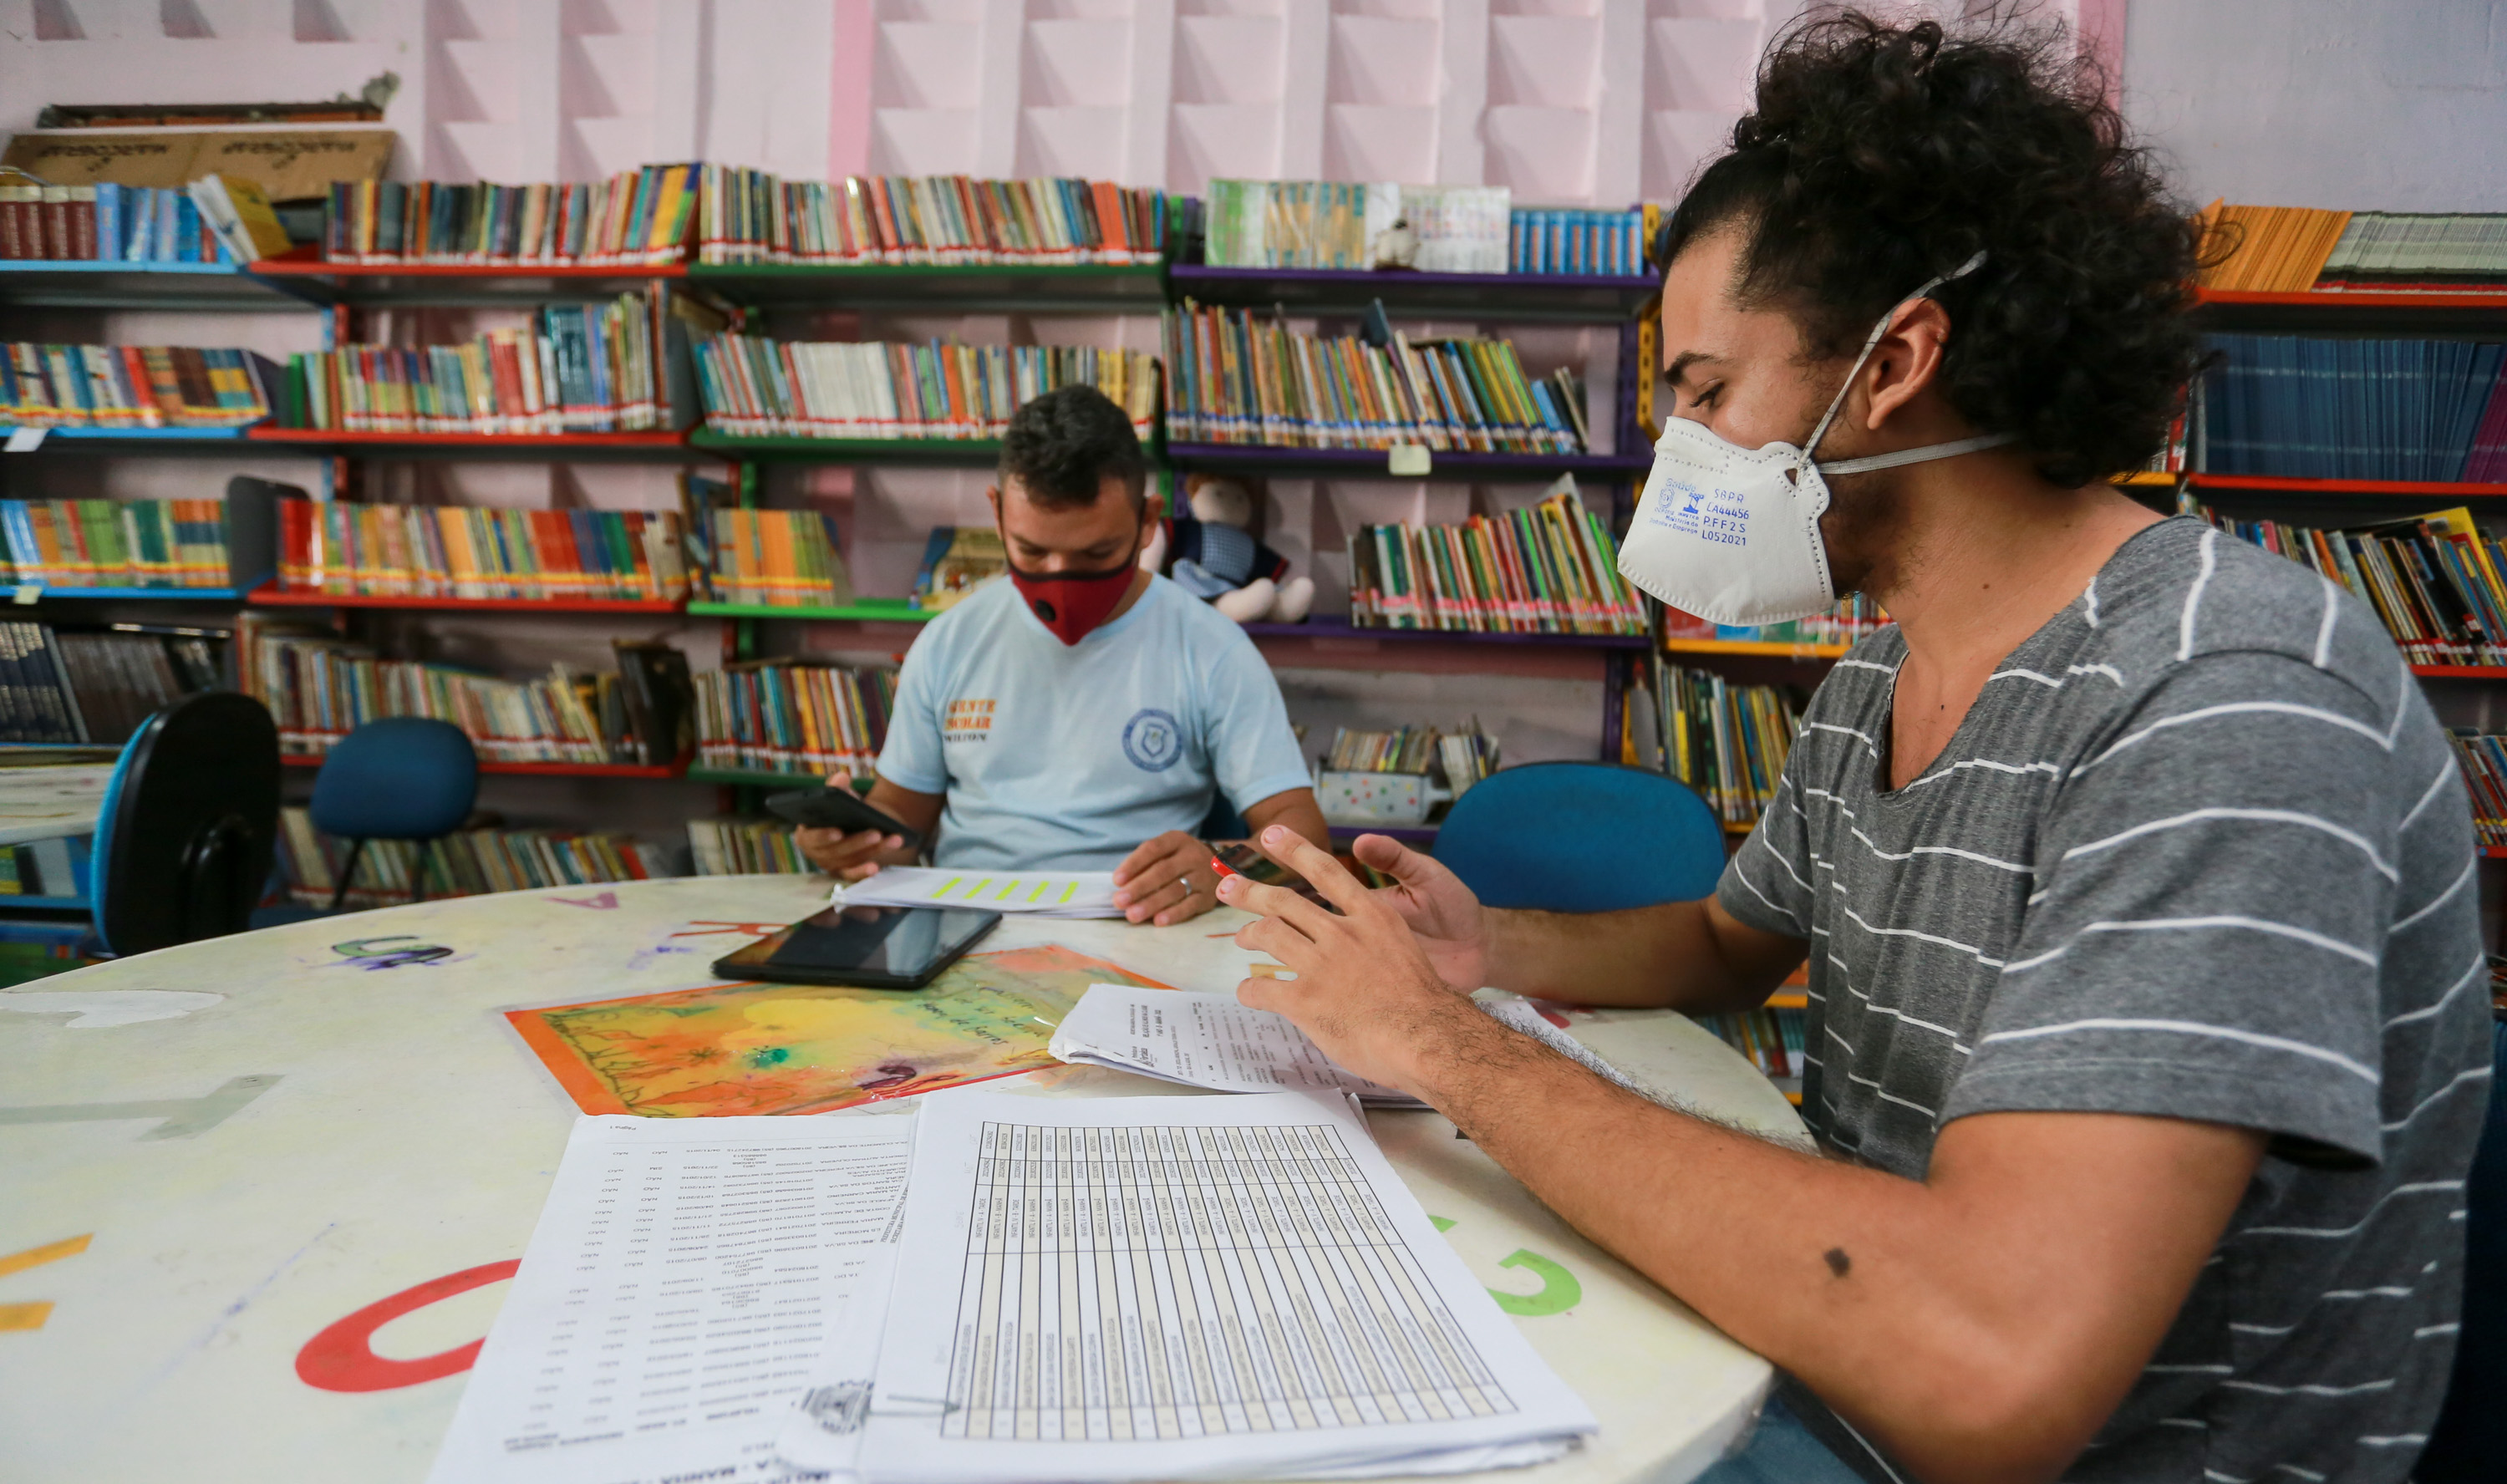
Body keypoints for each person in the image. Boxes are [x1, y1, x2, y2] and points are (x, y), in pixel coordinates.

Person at [1215, 14, 2489, 1484]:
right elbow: (1722, 941)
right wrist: (1478, 948)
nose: (1676, 447)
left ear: (1894, 363)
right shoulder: (1879, 670)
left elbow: (1989, 1355)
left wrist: (1441, 1050)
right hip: (1828, 1378)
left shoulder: (2229, 696)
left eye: (1703, 393)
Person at [797, 384, 1329, 924]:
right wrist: (856, 840)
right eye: (1031, 550)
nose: (1058, 580)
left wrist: (1218, 867)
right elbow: (900, 825)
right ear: (997, 512)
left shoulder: (1212, 647)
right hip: (963, 933)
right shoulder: (948, 641)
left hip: (1139, 931)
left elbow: (1302, 831)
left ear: (1148, 522)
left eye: (1096, 553)